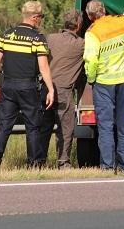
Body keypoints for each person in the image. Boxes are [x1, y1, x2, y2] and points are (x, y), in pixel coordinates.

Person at [83, 0, 124, 173]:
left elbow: (91, 59)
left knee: (106, 127)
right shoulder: (123, 22)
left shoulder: (93, 33)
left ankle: (108, 167)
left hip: (103, 83)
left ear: (89, 16)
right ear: (104, 10)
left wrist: (91, 78)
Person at [0, 1, 55, 170]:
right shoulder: (37, 38)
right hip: (28, 87)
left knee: (4, 126)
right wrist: (51, 89)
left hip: (8, 86)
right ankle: (34, 164)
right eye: (41, 17)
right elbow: (43, 67)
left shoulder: (7, 35)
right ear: (34, 17)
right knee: (32, 126)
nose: (41, 21)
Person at [45, 10, 85, 169]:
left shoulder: (50, 39)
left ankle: (37, 160)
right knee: (65, 127)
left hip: (45, 88)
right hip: (63, 91)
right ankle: (63, 162)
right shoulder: (81, 44)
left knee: (43, 127)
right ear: (79, 25)